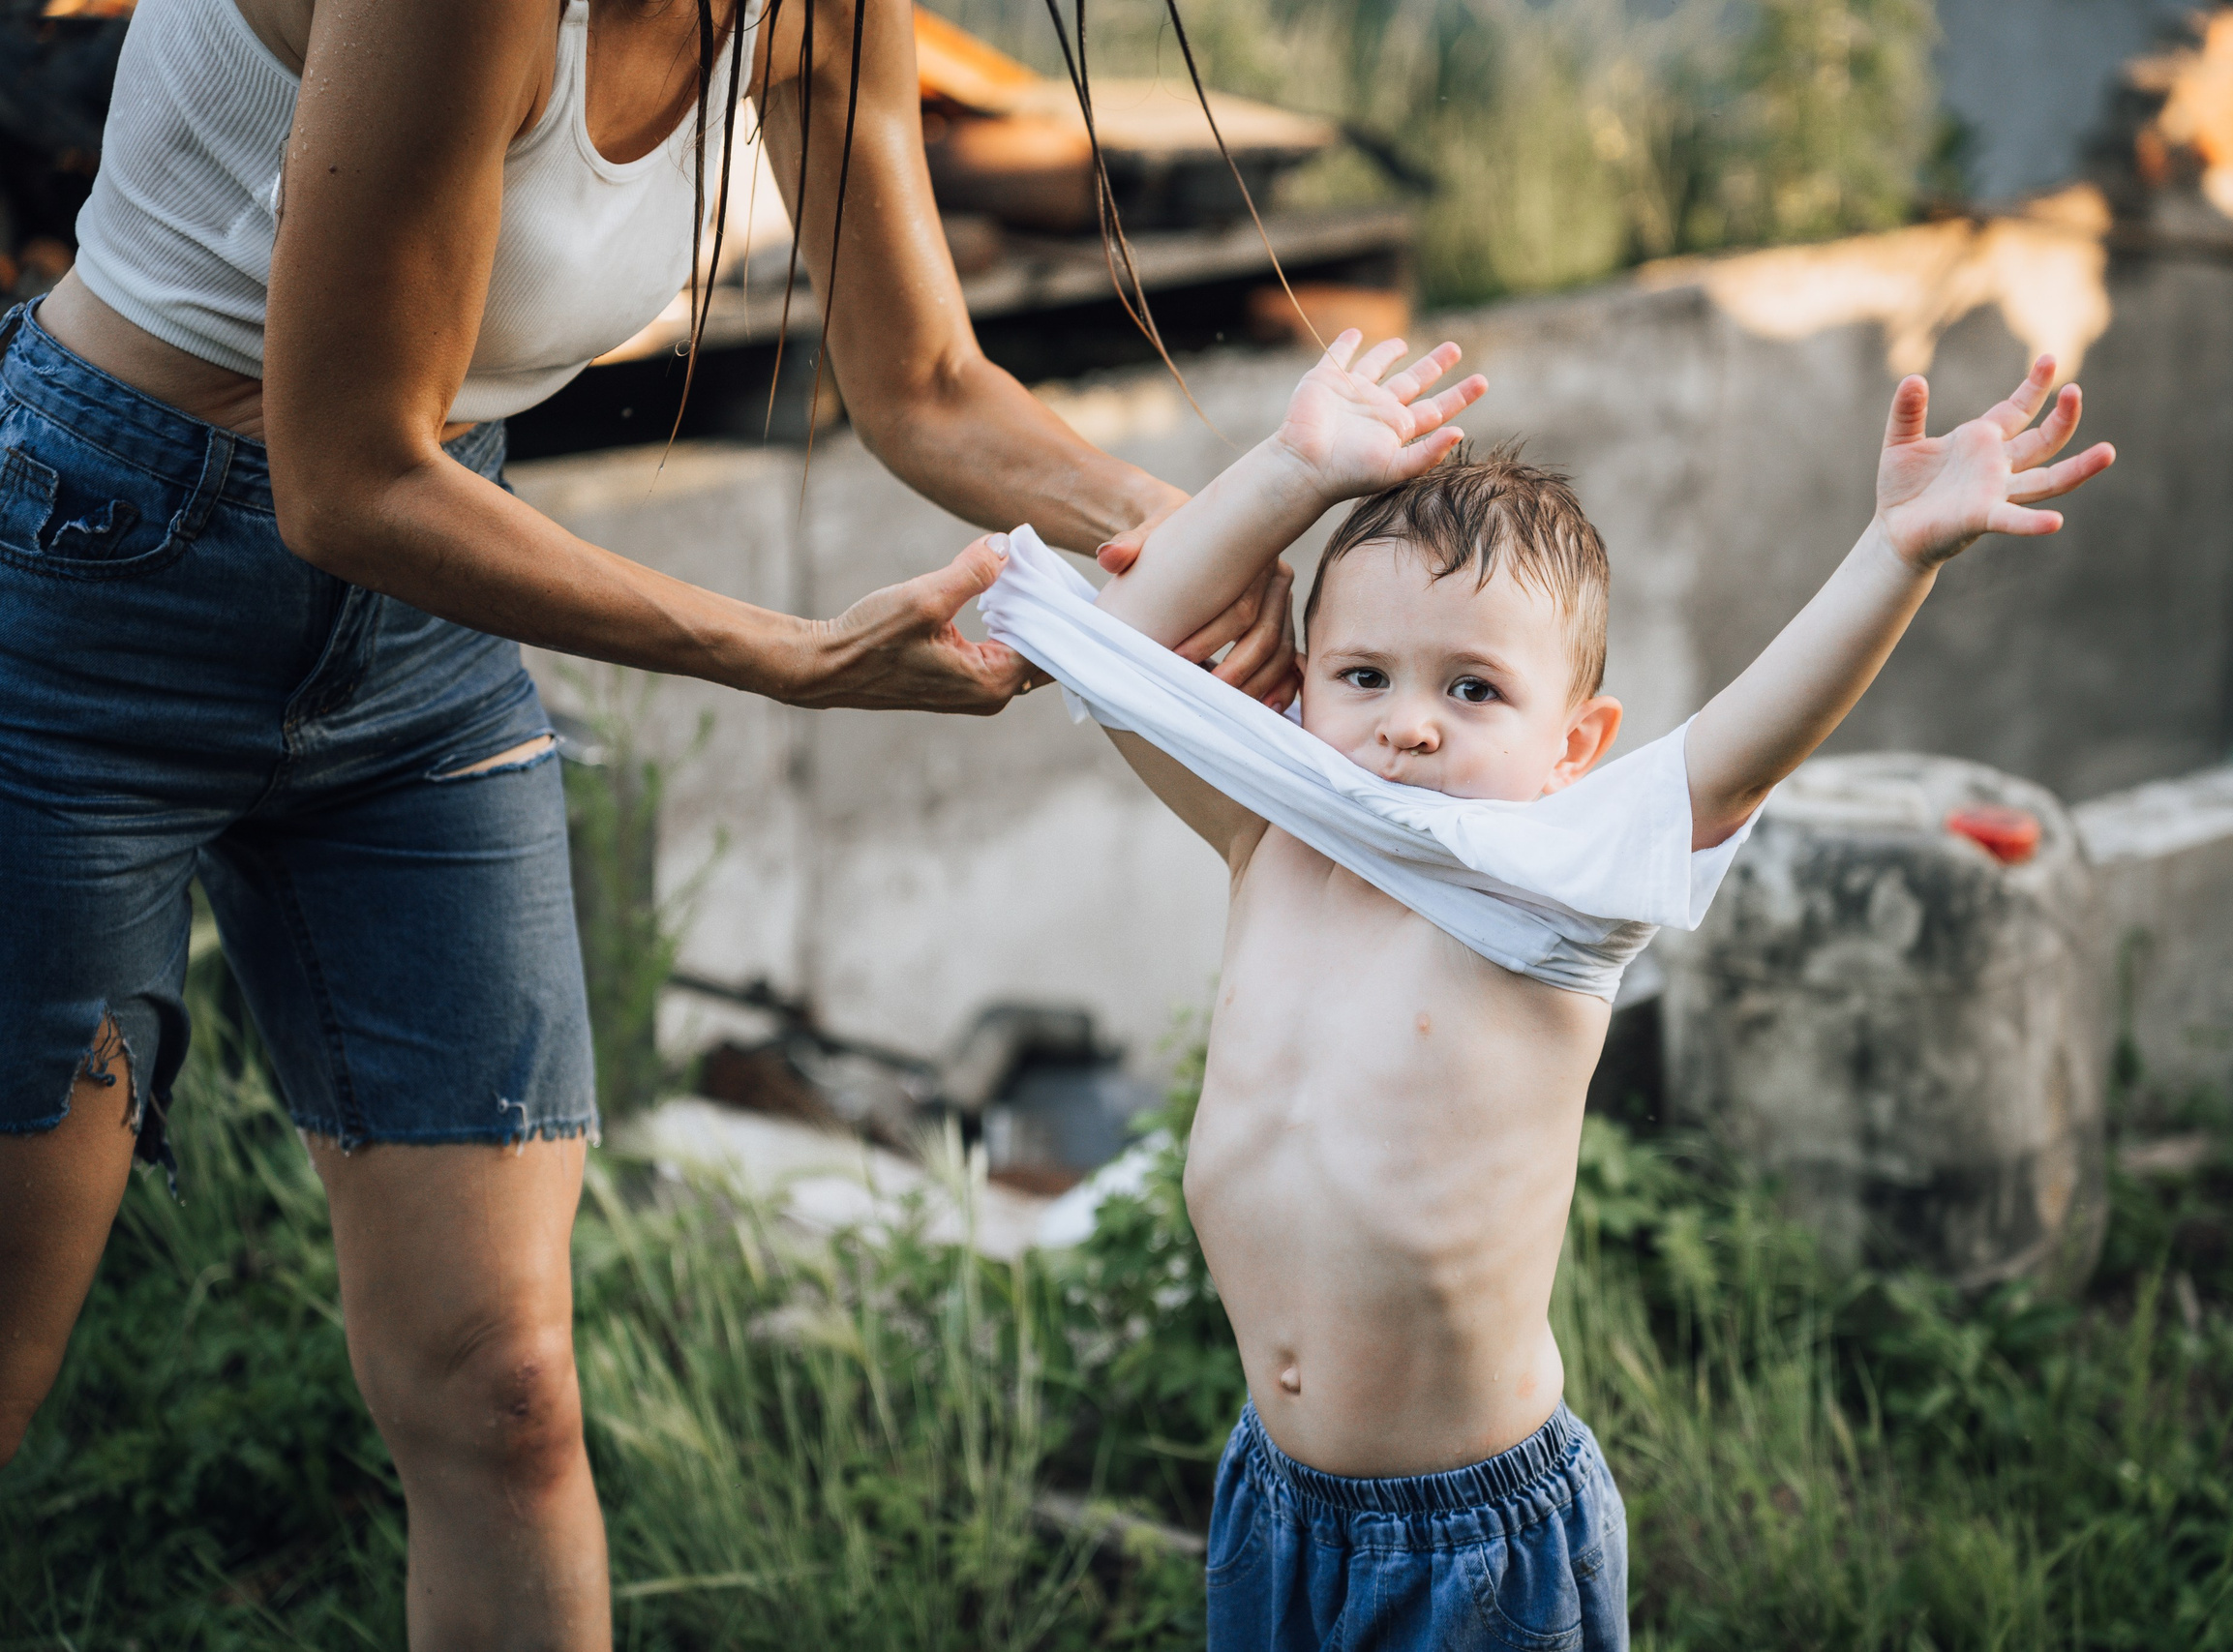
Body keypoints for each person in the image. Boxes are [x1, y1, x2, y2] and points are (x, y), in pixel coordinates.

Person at [0, 0, 1294, 1643]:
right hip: (96, 579)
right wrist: (795, 654)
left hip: (423, 612)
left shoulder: (821, 10)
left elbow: (926, 380)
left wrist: (1189, 527)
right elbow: (342, 475)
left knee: (508, 1393)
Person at [980, 331, 2114, 1647]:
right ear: (1303, 687)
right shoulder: (1271, 837)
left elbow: (1739, 759)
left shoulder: (1551, 895)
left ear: (1576, 746)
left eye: (1473, 688)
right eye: (1364, 676)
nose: (1409, 722)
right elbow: (1121, 659)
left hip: (1470, 1538)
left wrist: (1895, 553)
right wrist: (1294, 469)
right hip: (1276, 1496)